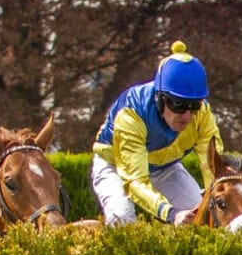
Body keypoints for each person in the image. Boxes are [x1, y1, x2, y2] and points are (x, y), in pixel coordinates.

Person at [91, 41, 224, 226]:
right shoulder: (132, 113)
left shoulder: (203, 113)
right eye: (178, 104)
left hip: (165, 168)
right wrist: (172, 214)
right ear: (160, 98)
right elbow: (135, 181)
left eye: (194, 105)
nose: (187, 115)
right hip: (116, 168)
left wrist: (216, 192)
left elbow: (214, 166)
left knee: (203, 217)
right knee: (122, 218)